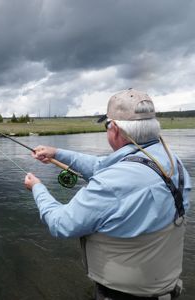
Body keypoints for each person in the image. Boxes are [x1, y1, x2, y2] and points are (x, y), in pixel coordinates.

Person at [24, 89, 191, 300]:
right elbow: (101, 166)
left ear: (115, 129)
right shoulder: (170, 161)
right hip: (166, 288)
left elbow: (62, 224)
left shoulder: (112, 183)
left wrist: (37, 188)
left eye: (106, 125)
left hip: (123, 295)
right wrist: (57, 153)